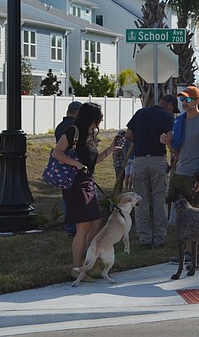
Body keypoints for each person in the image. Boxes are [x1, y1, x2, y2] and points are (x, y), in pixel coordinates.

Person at [51, 102, 123, 281]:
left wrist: (110, 149)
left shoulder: (90, 135)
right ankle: (76, 268)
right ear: (91, 117)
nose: (102, 118)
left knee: (97, 224)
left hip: (87, 181)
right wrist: (76, 164)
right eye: (100, 116)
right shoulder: (72, 131)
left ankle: (89, 264)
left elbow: (92, 161)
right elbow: (57, 153)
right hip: (74, 184)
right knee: (82, 227)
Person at [163, 85, 199, 270]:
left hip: (195, 175)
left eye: (188, 99)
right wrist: (169, 143)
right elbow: (178, 152)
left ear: (197, 101)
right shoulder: (181, 121)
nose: (184, 103)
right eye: (182, 100)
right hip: (180, 173)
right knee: (184, 218)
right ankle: (188, 254)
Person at [125, 94, 176, 248]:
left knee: (141, 201)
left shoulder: (140, 113)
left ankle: (145, 238)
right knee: (159, 200)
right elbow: (170, 137)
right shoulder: (167, 116)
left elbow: (128, 134)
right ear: (169, 105)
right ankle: (159, 238)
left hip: (140, 160)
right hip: (158, 159)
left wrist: (140, 141)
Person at [55, 101, 82, 237]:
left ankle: (70, 226)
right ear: (76, 112)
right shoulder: (74, 127)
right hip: (72, 166)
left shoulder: (60, 126)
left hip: (62, 168)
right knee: (75, 198)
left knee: (67, 197)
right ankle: (74, 227)